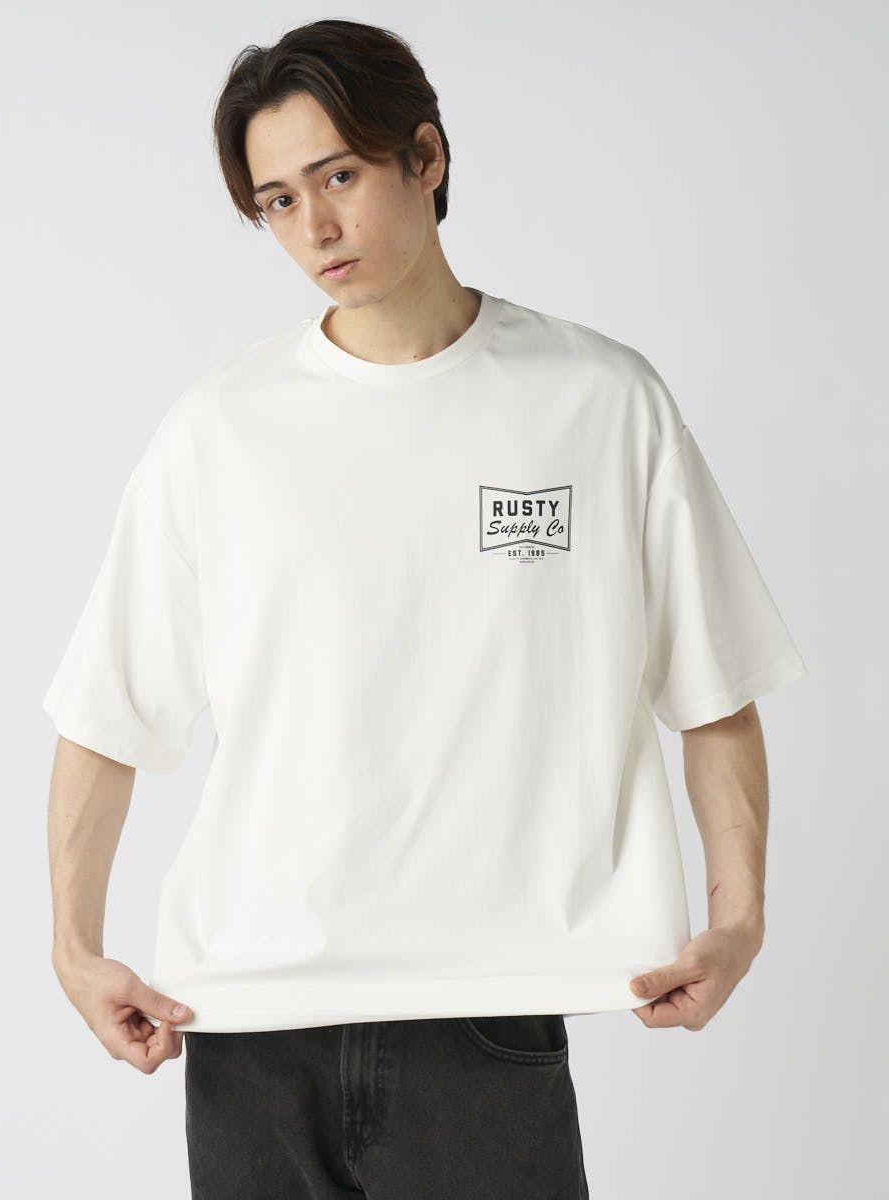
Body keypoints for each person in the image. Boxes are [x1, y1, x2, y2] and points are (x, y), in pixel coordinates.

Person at [43, 18, 807, 1199]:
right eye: (278, 200)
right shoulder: (221, 430)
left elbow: (715, 688)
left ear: (426, 156)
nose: (314, 227)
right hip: (248, 1023)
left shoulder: (599, 402)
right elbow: (107, 715)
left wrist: (738, 916)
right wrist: (73, 948)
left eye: (339, 176)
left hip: (486, 1019)